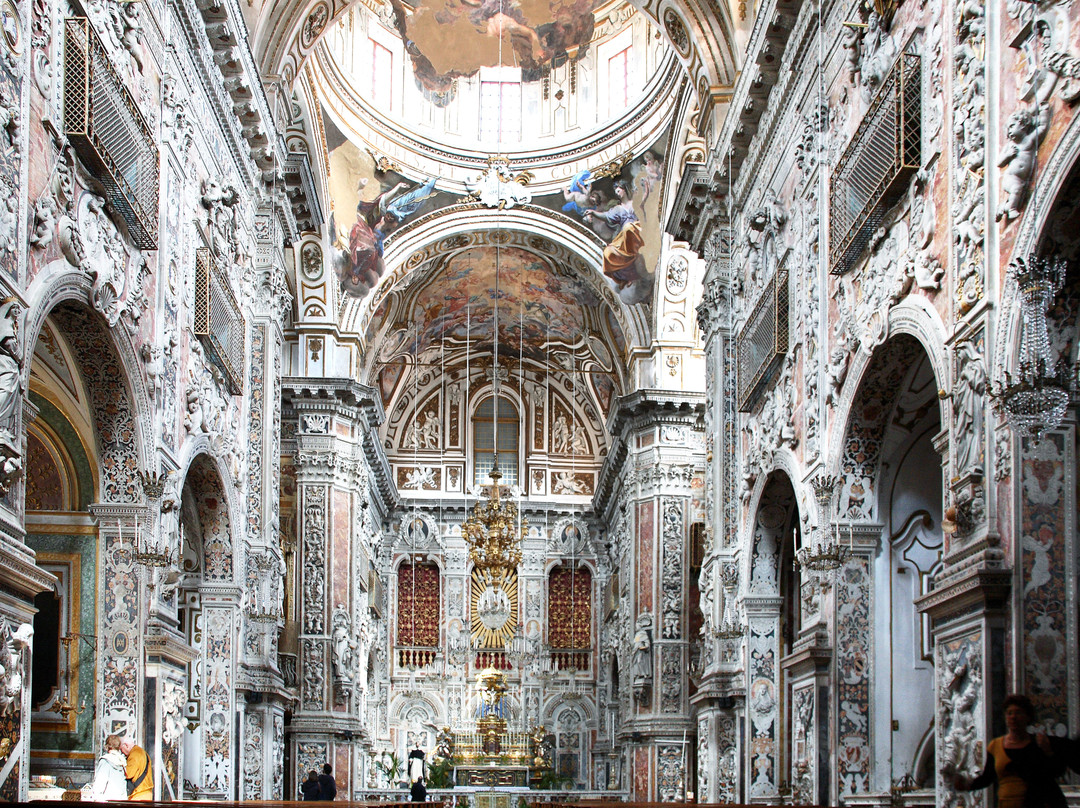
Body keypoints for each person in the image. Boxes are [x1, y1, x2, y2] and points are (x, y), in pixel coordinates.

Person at [950, 694, 1065, 808]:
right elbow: (987, 778)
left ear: (1027, 717)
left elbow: (1056, 772)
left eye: (1018, 712)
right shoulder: (996, 746)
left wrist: (1048, 751)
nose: (1013, 717)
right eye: (1009, 713)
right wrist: (967, 785)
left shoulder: (1038, 743)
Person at [87, 734, 128, 801]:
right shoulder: (122, 761)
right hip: (120, 801)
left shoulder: (106, 761)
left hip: (107, 800)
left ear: (107, 746)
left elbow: (100, 784)